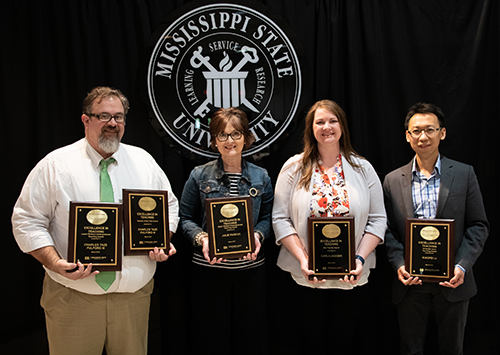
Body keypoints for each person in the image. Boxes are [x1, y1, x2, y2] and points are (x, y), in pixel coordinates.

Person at [11, 86, 179, 355]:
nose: (113, 123)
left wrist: (162, 239)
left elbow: (168, 205)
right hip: (73, 299)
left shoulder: (144, 162)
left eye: (119, 117)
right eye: (104, 116)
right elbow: (27, 220)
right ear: (85, 119)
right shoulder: (55, 165)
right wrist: (54, 262)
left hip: (133, 300)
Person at [272, 99, 387, 354]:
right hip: (306, 275)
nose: (327, 127)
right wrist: (303, 260)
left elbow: (378, 219)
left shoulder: (363, 168)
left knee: (344, 342)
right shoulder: (293, 167)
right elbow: (280, 219)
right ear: (311, 128)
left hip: (351, 275)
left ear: (342, 125)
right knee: (308, 343)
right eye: (320, 122)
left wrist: (359, 258)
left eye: (332, 121)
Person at [383, 102, 489, 355]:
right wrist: (399, 264)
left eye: (430, 130)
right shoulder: (391, 180)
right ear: (407, 136)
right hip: (410, 281)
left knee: (453, 349)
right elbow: (387, 231)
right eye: (416, 131)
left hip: (453, 280)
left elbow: (478, 225)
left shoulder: (464, 174)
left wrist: (462, 266)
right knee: (410, 349)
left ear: (442, 133)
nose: (423, 137)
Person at [179, 107, 273, 355]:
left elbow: (268, 218)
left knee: (250, 341)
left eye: (236, 134)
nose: (230, 141)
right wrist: (202, 238)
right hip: (209, 274)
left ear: (246, 137)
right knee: (210, 341)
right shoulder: (199, 175)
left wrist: (257, 236)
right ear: (214, 140)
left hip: (249, 274)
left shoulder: (261, 176)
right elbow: (185, 218)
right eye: (222, 135)